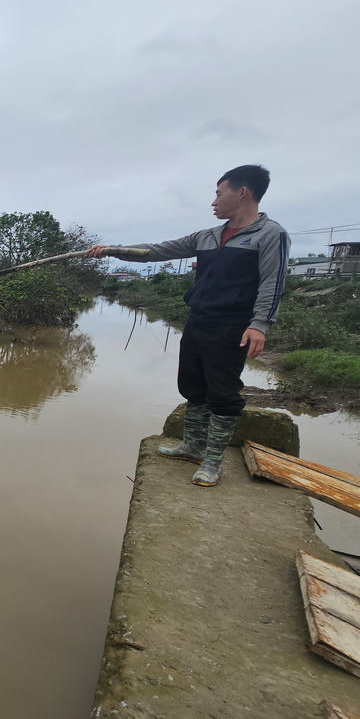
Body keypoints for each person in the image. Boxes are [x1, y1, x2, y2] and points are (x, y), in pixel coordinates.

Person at [88, 165, 289, 487]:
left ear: (242, 193)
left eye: (218, 193)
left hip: (232, 324)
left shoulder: (270, 234)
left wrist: (259, 324)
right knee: (193, 385)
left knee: (222, 393)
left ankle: (213, 461)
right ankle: (193, 446)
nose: (214, 201)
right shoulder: (206, 236)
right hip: (198, 318)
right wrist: (112, 250)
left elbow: (272, 282)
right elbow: (154, 251)